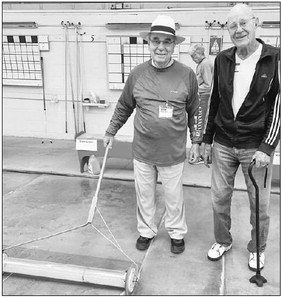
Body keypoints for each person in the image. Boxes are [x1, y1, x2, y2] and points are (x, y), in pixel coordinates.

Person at [104, 15, 202, 254]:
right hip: (143, 152)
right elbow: (124, 106)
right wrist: (110, 131)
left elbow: (195, 110)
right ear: (148, 43)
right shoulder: (137, 74)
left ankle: (176, 233)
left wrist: (197, 141)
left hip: (173, 153)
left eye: (167, 42)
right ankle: (146, 231)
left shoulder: (186, 74)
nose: (161, 46)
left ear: (173, 45)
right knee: (145, 196)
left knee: (173, 198)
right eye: (156, 41)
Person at [202, 3, 280, 271]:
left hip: (254, 147)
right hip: (223, 143)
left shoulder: (274, 58)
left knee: (259, 204)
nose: (238, 29)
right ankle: (222, 241)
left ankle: (257, 248)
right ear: (227, 29)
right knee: (218, 198)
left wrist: (267, 147)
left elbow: (278, 107)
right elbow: (215, 101)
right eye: (232, 25)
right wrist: (205, 139)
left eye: (243, 23)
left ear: (255, 23)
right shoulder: (222, 59)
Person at [188, 44, 214, 164]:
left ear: (199, 54)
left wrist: (195, 90)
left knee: (199, 124)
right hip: (201, 97)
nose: (193, 59)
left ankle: (202, 156)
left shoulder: (205, 64)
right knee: (199, 124)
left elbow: (208, 85)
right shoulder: (202, 64)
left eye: (193, 56)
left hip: (203, 97)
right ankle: (201, 155)